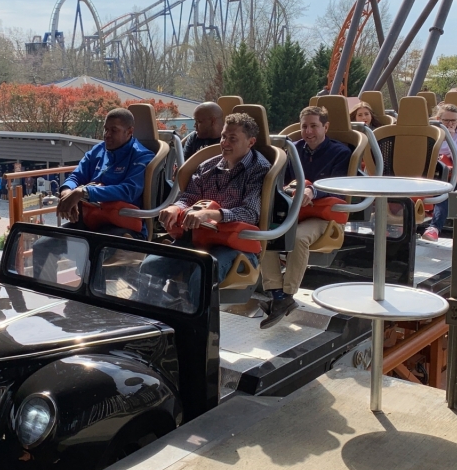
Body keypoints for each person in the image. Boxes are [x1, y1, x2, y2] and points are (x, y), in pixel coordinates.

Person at [144, 112, 270, 296]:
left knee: (202, 274)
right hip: (198, 239)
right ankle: (154, 315)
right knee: (150, 267)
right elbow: (189, 197)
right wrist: (175, 207)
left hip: (234, 246)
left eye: (232, 139)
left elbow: (250, 212)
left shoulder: (259, 169)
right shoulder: (207, 166)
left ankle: (195, 323)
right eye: (223, 137)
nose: (225, 143)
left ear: (251, 142)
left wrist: (211, 214)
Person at [260, 106, 351, 327]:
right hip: (295, 210)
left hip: (322, 214)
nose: (308, 131)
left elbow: (340, 186)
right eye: (304, 126)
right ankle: (277, 294)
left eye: (314, 126)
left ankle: (288, 293)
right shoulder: (293, 149)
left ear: (325, 127)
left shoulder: (340, 153)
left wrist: (313, 191)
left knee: (300, 238)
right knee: (264, 234)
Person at [53, 108, 156, 237]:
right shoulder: (97, 151)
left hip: (122, 225)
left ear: (129, 132)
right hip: (90, 220)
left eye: (114, 130)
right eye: (105, 129)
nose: (107, 134)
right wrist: (67, 193)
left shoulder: (142, 156)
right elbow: (76, 176)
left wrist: (84, 192)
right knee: (44, 245)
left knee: (96, 250)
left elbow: (129, 191)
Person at [423, 103, 457, 241]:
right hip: (429, 172)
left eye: (453, 120)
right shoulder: (429, 132)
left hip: (450, 176)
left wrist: (450, 139)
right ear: (438, 119)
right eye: (446, 120)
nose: (450, 123)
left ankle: (434, 228)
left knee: (446, 191)